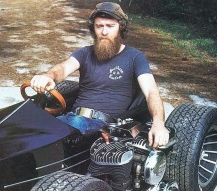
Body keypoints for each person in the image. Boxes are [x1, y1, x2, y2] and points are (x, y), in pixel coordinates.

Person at [30, 1, 169, 147]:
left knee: (48, 133)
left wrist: (158, 123)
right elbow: (63, 68)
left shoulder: (134, 57)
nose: (104, 32)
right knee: (28, 123)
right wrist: (48, 76)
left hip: (103, 125)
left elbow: (151, 92)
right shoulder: (84, 53)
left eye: (110, 26)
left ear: (120, 29)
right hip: (73, 118)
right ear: (93, 28)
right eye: (99, 26)